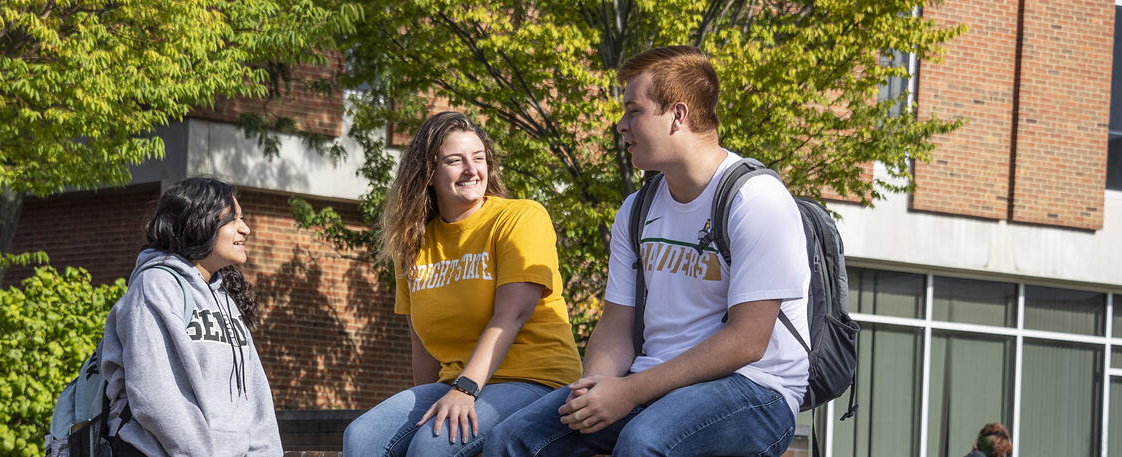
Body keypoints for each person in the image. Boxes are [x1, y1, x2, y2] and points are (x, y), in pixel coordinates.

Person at [484, 45, 811, 457]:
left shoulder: (756, 199)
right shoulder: (637, 209)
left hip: (755, 389)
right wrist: (597, 387)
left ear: (678, 115)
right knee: (513, 439)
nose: (620, 125)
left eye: (633, 111)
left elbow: (747, 341)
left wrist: (629, 392)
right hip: (651, 380)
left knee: (643, 443)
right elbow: (616, 326)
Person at [343, 111, 583, 457]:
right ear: (428, 173)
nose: (472, 170)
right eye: (456, 161)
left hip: (535, 380)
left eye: (479, 158)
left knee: (432, 447)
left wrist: (466, 389)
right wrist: (425, 409)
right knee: (362, 438)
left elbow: (511, 315)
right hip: (455, 384)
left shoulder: (520, 218)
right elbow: (421, 343)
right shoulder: (413, 243)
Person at [99, 177, 280, 456]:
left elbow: (256, 397)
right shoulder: (155, 286)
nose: (246, 229)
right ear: (201, 222)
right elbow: (155, 396)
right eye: (233, 220)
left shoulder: (225, 299)